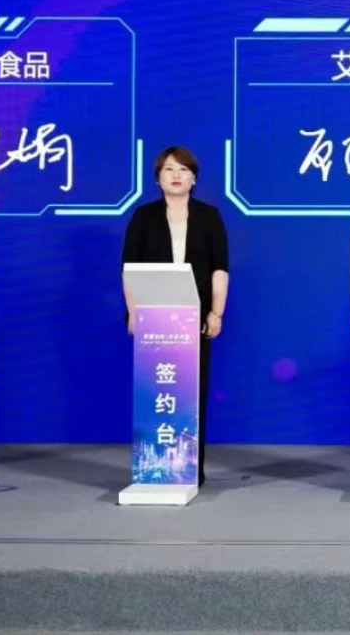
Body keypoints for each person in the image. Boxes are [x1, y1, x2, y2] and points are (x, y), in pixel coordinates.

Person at [121, 146, 229, 487]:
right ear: (158, 178)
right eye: (169, 169)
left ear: (194, 177)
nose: (176, 175)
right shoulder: (143, 216)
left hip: (195, 318)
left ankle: (190, 468)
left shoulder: (209, 216)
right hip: (154, 318)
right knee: (155, 390)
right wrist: (134, 312)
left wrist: (216, 312)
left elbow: (219, 269)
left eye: (183, 169)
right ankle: (154, 466)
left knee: (192, 393)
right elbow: (129, 269)